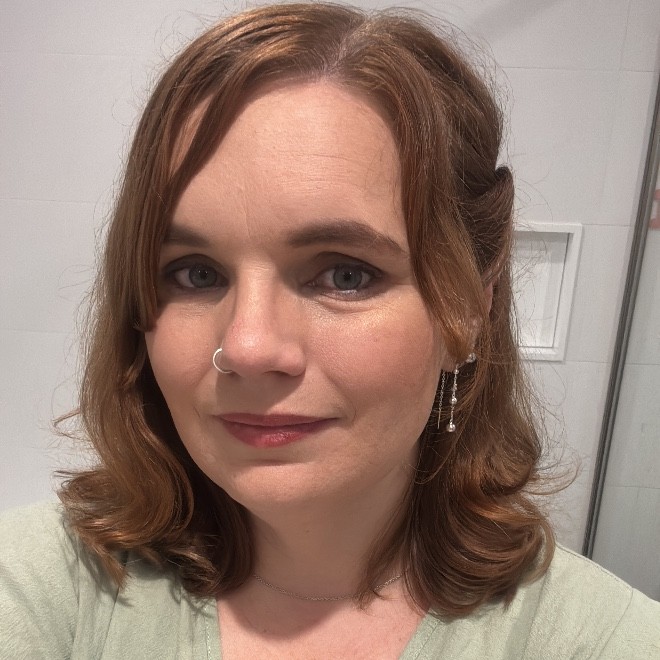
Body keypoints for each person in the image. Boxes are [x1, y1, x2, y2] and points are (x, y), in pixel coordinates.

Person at [1, 3, 658, 658]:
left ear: (467, 308)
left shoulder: (601, 640)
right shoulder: (44, 589)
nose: (248, 347)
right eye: (196, 274)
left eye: (346, 275)